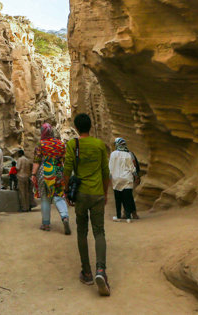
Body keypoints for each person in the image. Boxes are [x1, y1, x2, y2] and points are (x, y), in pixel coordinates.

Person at [63, 113, 112, 296]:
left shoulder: (72, 144)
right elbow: (105, 171)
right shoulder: (99, 145)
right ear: (90, 127)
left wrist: (67, 191)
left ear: (76, 127)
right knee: (99, 232)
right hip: (97, 193)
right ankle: (101, 270)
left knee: (82, 231)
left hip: (81, 196)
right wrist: (105, 193)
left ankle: (87, 272)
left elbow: (67, 169)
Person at [31, 123, 70, 235]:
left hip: (45, 172)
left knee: (45, 198)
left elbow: (37, 161)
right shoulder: (60, 144)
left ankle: (46, 224)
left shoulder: (41, 144)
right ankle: (65, 217)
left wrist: (33, 174)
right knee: (59, 197)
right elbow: (64, 160)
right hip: (58, 172)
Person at [109, 137, 137, 222]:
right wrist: (136, 176)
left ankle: (118, 216)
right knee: (127, 199)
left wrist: (110, 178)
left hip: (116, 179)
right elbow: (132, 168)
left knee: (118, 199)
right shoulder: (127, 154)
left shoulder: (113, 154)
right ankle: (128, 217)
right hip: (127, 179)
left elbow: (110, 167)